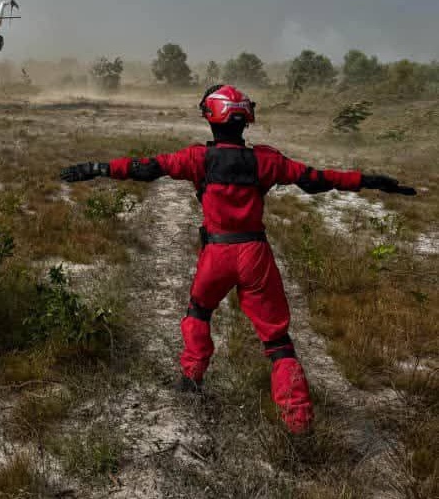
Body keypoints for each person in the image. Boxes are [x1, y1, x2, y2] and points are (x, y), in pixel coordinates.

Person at [60, 84, 416, 434]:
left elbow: (147, 167)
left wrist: (97, 167)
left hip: (217, 253)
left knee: (199, 311)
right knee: (277, 341)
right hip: (255, 255)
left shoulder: (198, 158)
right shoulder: (267, 160)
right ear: (245, 120)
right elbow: (317, 180)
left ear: (210, 118)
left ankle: (191, 377)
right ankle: (298, 420)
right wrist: (369, 180)